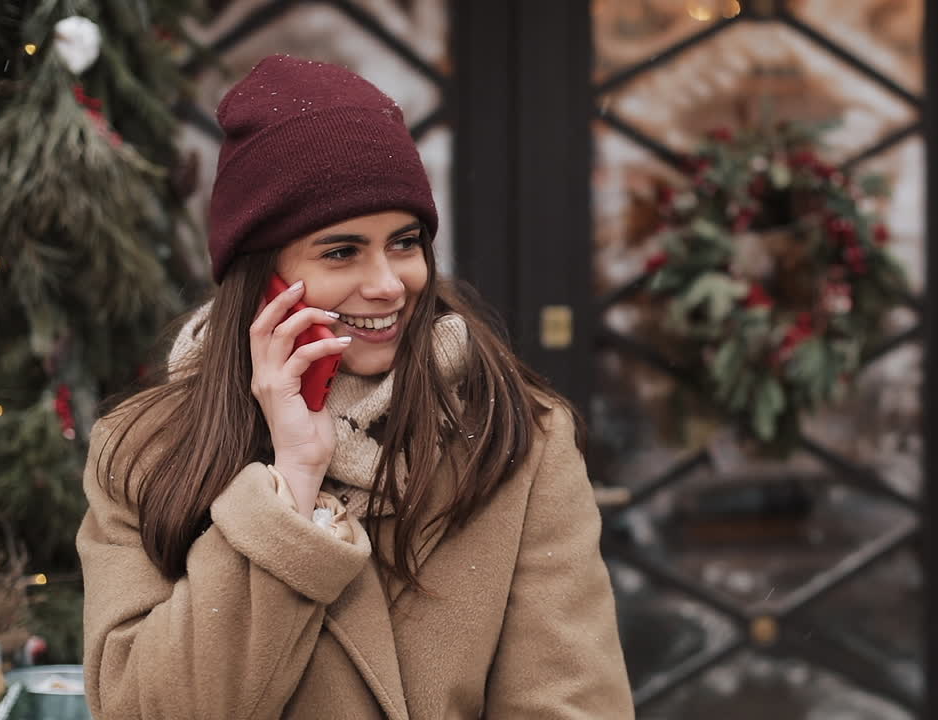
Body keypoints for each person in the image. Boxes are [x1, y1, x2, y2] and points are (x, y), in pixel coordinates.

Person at [76, 54, 633, 719]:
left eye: (404, 243)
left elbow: (569, 703)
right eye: (342, 252)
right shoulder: (144, 451)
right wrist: (290, 489)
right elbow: (143, 709)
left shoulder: (515, 439)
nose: (389, 284)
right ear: (262, 280)